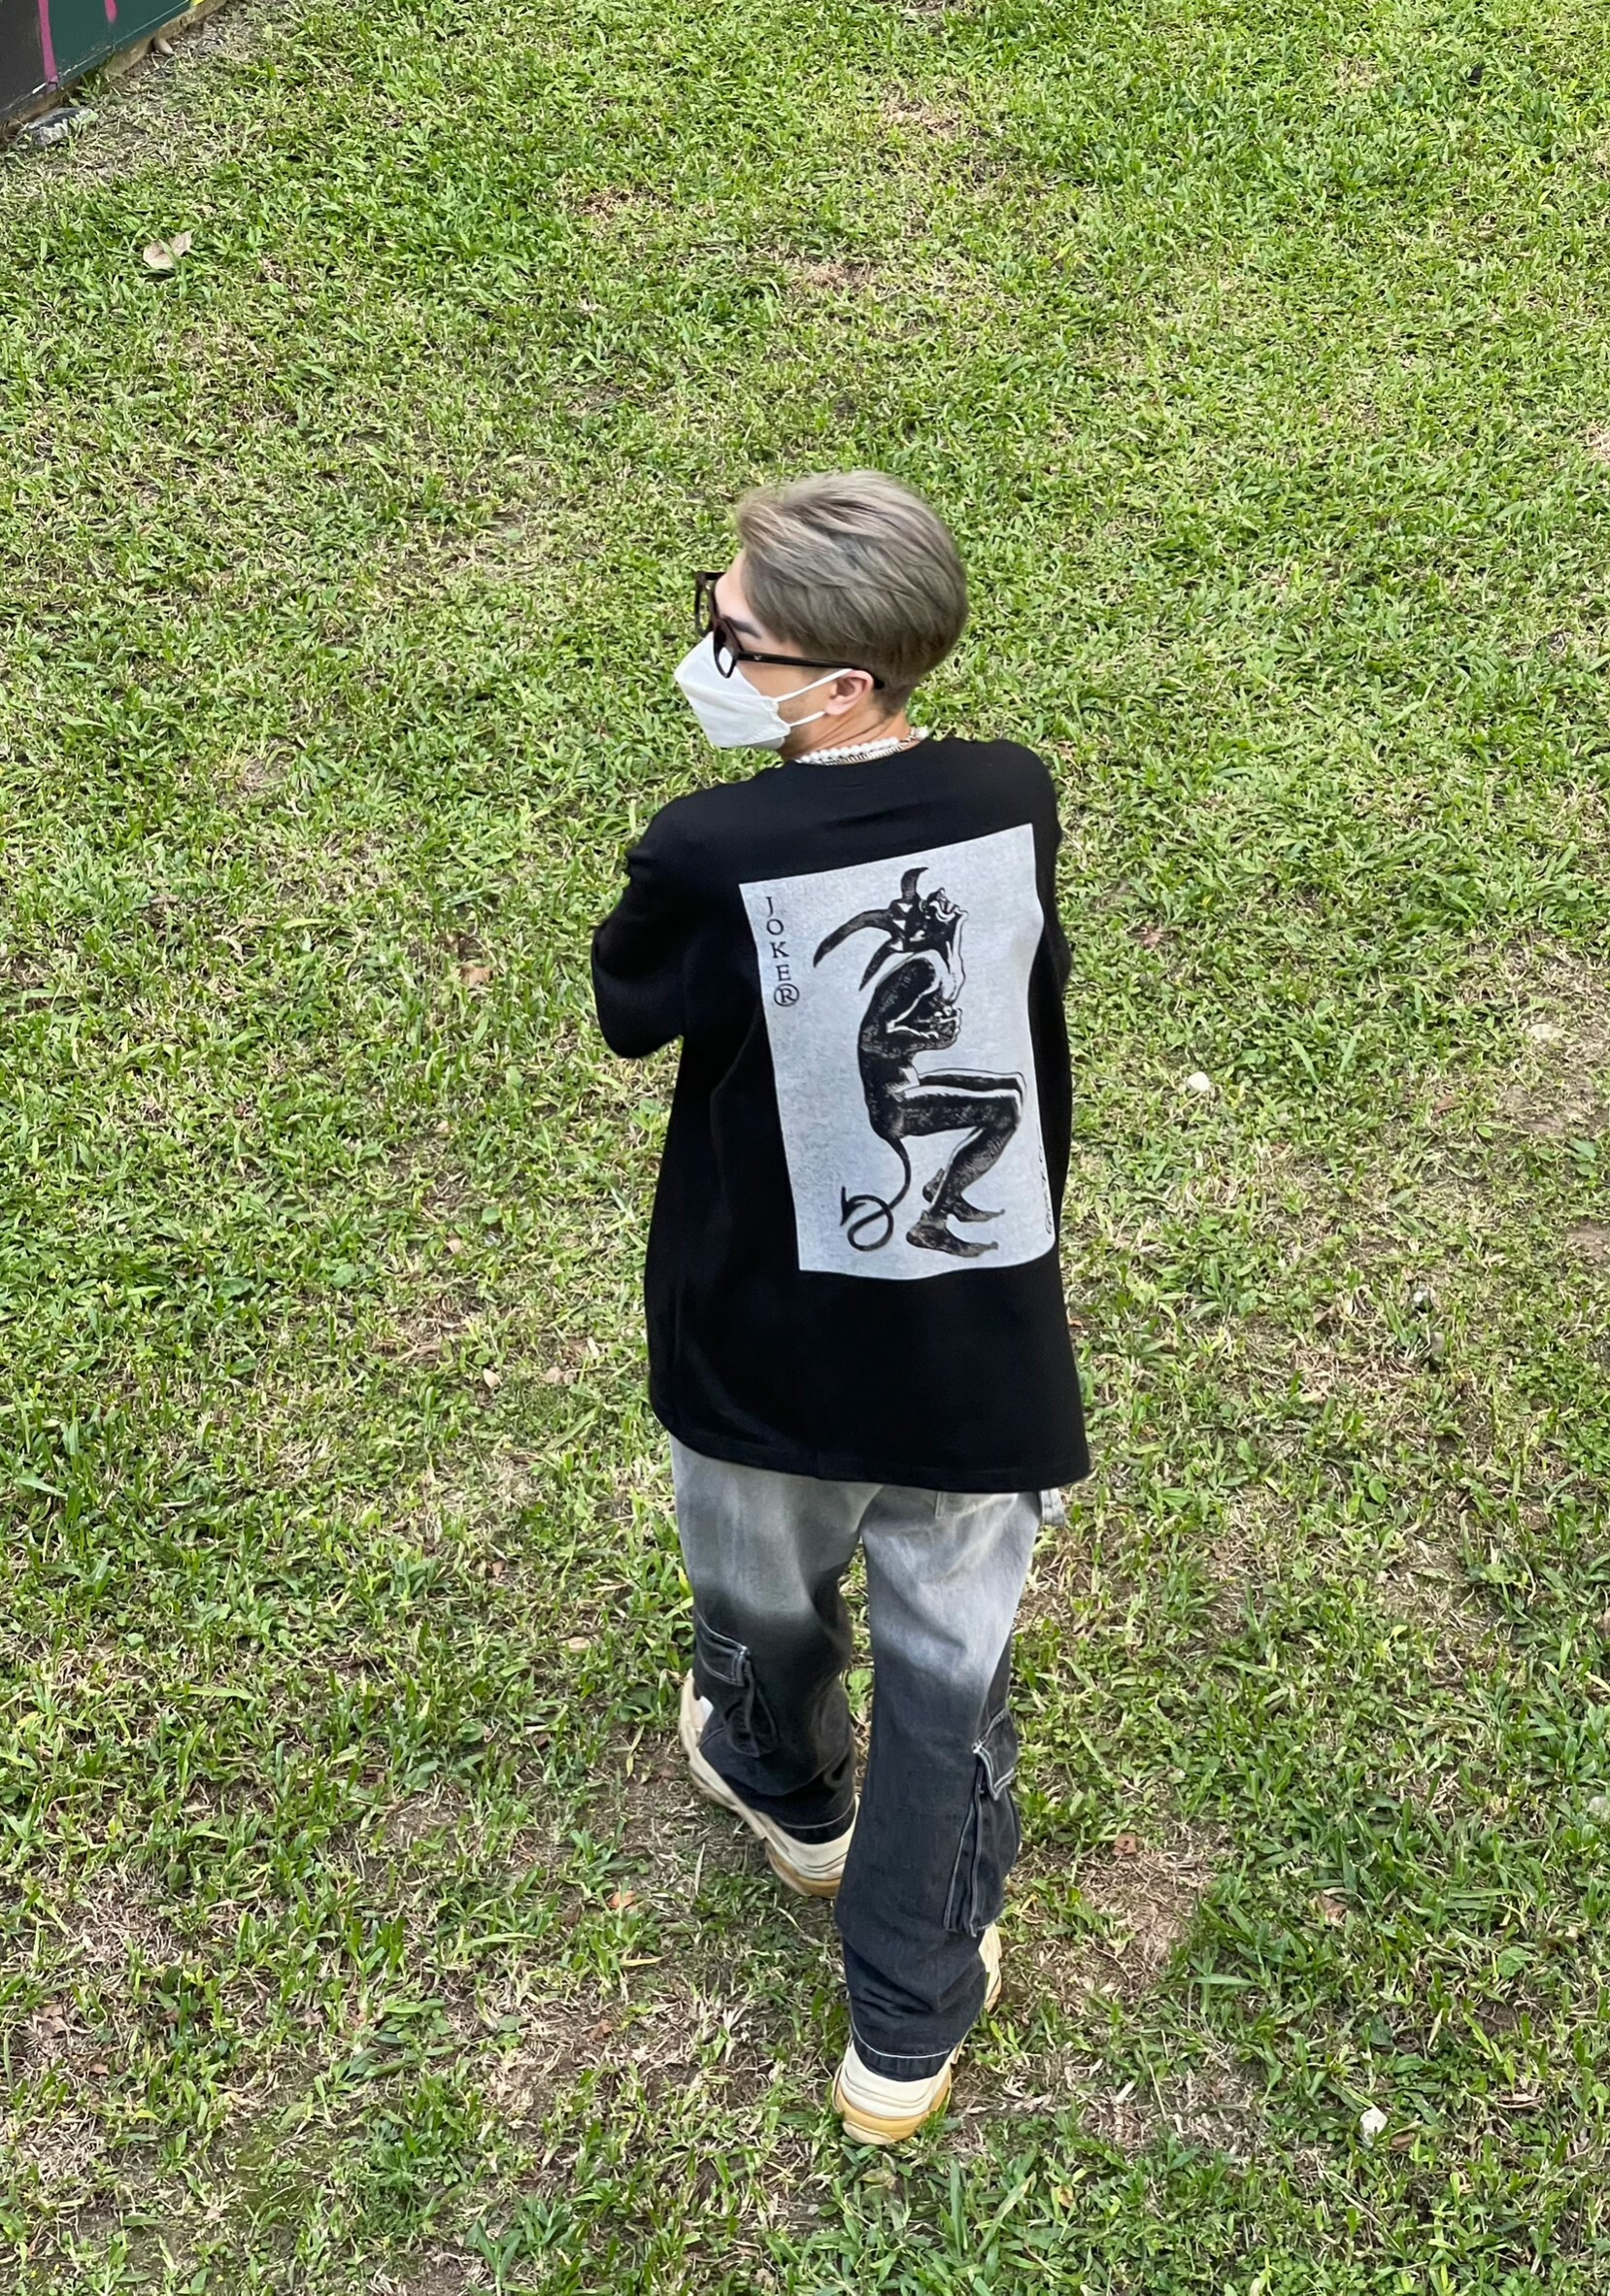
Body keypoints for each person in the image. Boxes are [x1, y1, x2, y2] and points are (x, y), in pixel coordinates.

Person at [589, 471, 1088, 2143]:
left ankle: (787, 1788)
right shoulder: (1013, 794)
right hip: (973, 1353)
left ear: (840, 683)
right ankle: (908, 2018)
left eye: (733, 635)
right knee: (949, 1680)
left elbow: (631, 1010)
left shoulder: (706, 845)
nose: (710, 652)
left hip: (760, 1343)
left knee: (759, 1585)